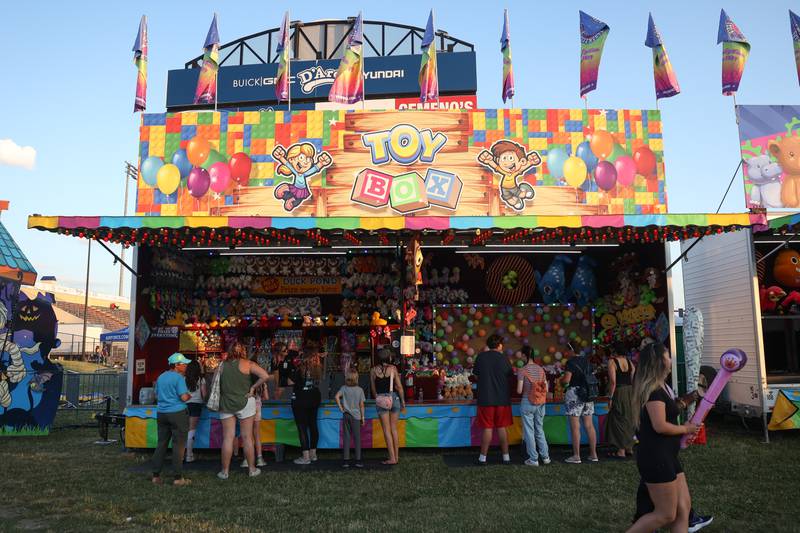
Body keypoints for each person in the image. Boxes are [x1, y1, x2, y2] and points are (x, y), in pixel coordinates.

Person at [627, 342, 700, 533]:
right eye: (668, 356)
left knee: (683, 509)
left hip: (668, 456)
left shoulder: (662, 387)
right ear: (659, 361)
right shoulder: (654, 391)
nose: (670, 360)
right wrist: (685, 429)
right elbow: (659, 426)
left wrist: (685, 430)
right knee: (666, 514)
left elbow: (669, 416)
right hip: (656, 457)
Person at [217, 343, 270, 480]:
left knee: (228, 438)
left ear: (229, 351)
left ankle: (224, 472)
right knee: (247, 437)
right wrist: (253, 388)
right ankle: (252, 469)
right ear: (244, 351)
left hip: (226, 403)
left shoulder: (221, 365)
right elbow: (265, 376)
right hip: (246, 402)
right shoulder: (248, 364)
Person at [151, 353, 193, 486]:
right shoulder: (179, 378)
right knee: (178, 445)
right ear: (176, 365)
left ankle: (156, 476)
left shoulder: (161, 377)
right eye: (184, 364)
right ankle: (177, 477)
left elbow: (156, 395)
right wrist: (189, 395)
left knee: (161, 443)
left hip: (162, 413)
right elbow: (184, 398)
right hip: (177, 414)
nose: (186, 366)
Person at [473, 334, 513, 465]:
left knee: (487, 428)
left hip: (485, 399)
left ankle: (482, 458)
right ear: (500, 345)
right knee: (502, 427)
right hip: (502, 399)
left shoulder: (481, 357)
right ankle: (506, 457)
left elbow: (476, 375)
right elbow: (509, 375)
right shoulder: (504, 359)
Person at [561, 352, 598, 464]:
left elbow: (567, 380)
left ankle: (576, 456)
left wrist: (561, 381)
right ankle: (593, 454)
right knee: (589, 425)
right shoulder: (587, 361)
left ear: (571, 350)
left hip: (575, 394)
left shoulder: (571, 362)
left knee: (575, 426)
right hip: (588, 394)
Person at [516, 346, 550, 466]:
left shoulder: (522, 370)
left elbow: (519, 390)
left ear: (525, 356)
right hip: (540, 402)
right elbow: (546, 387)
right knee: (539, 429)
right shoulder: (541, 370)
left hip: (527, 402)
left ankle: (533, 459)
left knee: (529, 431)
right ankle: (545, 457)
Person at [370, 348, 405, 465]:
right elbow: (399, 387)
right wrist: (403, 402)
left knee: (386, 430)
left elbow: (373, 390)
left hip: (381, 400)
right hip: (394, 398)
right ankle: (397, 457)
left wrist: (379, 399)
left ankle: (392, 458)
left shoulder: (373, 370)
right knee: (394, 429)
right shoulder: (393, 369)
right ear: (388, 358)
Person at [289, 346, 324, 465]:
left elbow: (290, 381)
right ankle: (313, 454)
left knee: (302, 427)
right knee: (313, 425)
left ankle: (305, 457)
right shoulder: (317, 368)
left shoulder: (299, 369)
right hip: (314, 397)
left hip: (300, 399)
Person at [606, 342, 636, 459]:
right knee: (629, 418)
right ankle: (630, 448)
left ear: (615, 351)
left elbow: (613, 382)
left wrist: (610, 397)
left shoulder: (612, 362)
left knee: (618, 419)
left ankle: (621, 450)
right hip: (630, 391)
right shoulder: (630, 362)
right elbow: (633, 379)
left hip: (619, 391)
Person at [241, 348, 269, 469]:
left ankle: (246, 460)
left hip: (247, 404)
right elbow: (266, 397)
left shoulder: (244, 377)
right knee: (256, 434)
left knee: (246, 435)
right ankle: (260, 458)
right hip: (257, 405)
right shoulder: (260, 380)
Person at [335, 369, 366, 468]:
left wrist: (341, 408)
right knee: (357, 438)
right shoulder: (360, 390)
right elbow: (361, 405)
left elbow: (336, 397)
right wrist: (363, 417)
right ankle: (358, 460)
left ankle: (346, 461)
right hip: (356, 417)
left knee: (346, 437)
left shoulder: (343, 388)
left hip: (346, 415)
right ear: (357, 378)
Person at [184, 358, 207, 463]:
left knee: (185, 429)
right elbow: (204, 394)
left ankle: (183, 454)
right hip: (196, 405)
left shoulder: (183, 379)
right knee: (191, 430)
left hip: (185, 405)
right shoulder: (201, 379)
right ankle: (189, 455)